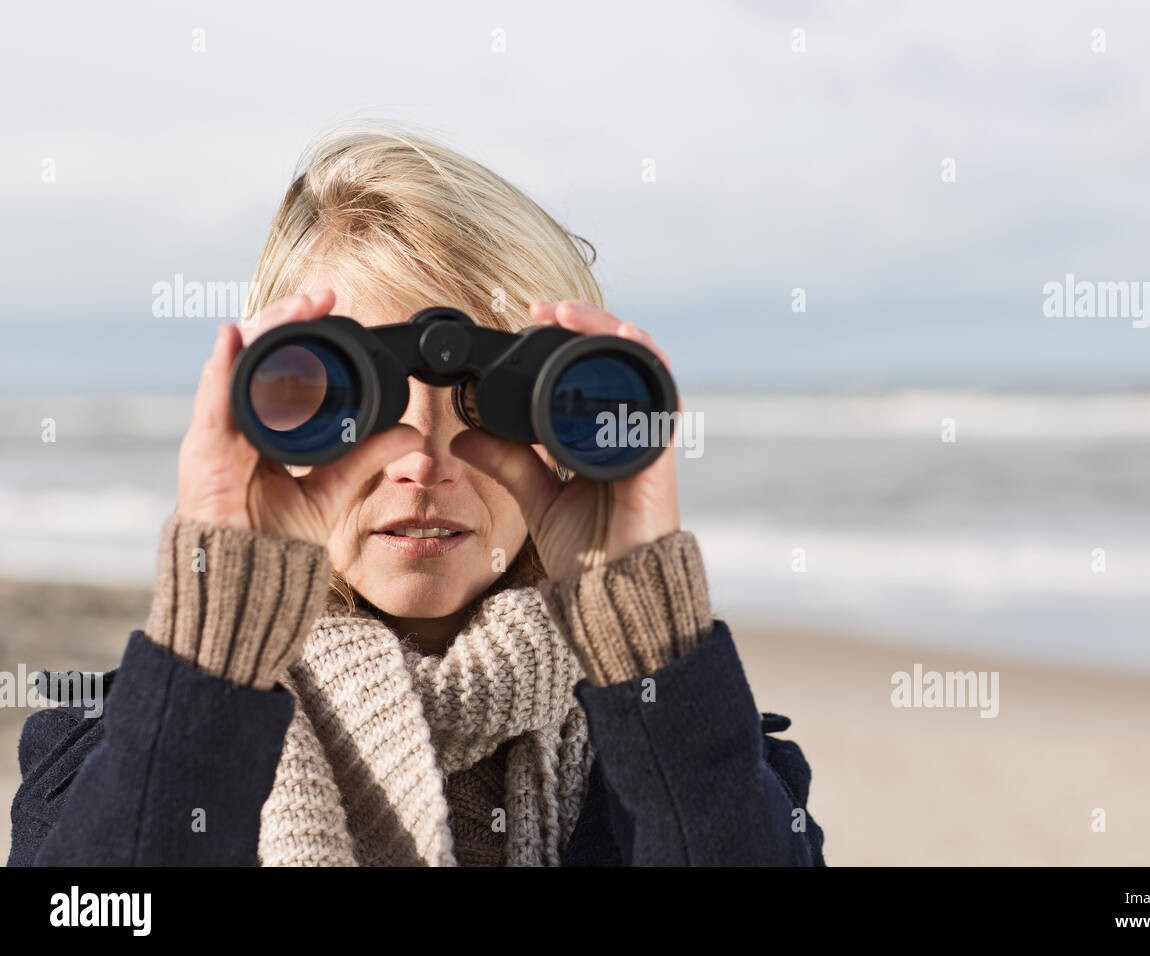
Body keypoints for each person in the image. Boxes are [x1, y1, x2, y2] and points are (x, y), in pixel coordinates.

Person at [8, 123, 826, 866]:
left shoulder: (695, 758)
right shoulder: (98, 763)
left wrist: (647, 631)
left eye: (486, 398)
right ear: (263, 410)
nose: (425, 460)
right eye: (349, 395)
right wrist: (216, 635)